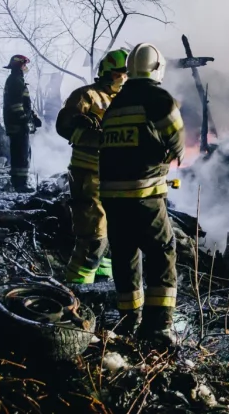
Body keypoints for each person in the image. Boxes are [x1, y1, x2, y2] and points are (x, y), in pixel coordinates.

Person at [99, 43, 185, 348]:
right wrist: (175, 155)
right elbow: (176, 137)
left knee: (124, 254)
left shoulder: (116, 103)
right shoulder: (158, 97)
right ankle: (158, 326)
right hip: (143, 192)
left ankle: (128, 321)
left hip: (111, 195)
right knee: (162, 250)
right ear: (157, 68)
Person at [56, 49, 128, 284]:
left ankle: (101, 284)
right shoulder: (86, 95)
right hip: (88, 175)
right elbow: (64, 125)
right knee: (93, 237)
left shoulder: (124, 99)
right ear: (107, 73)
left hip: (115, 176)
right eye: (120, 73)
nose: (124, 78)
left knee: (112, 235)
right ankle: (75, 289)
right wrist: (90, 133)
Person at [2, 54, 42, 193]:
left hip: (18, 123)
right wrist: (25, 119)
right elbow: (16, 105)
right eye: (25, 64)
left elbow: (24, 104)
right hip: (17, 124)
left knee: (22, 153)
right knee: (21, 154)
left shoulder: (17, 80)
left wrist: (33, 117)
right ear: (20, 65)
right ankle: (20, 185)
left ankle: (19, 183)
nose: (26, 67)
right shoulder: (15, 80)